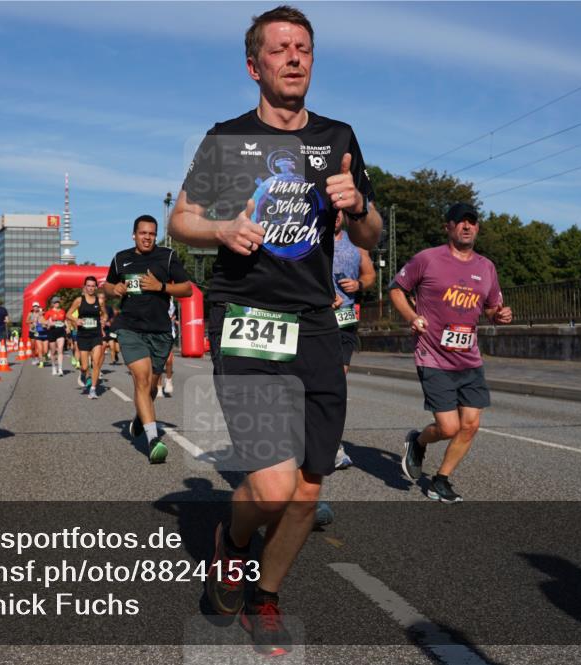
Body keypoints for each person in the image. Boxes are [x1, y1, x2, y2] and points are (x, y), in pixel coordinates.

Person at [167, 6, 381, 655]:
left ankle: (265, 595)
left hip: (315, 321)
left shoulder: (338, 136)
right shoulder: (227, 139)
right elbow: (181, 219)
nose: (295, 57)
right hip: (249, 316)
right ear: (253, 64)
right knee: (271, 484)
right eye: (281, 48)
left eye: (305, 48)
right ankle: (231, 544)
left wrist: (361, 205)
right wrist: (220, 229)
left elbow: (371, 234)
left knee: (309, 487)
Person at [391, 202, 512, 503]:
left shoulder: (486, 267)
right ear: (448, 227)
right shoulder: (427, 259)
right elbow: (396, 288)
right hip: (433, 356)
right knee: (448, 427)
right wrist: (412, 317)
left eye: (472, 222)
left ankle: (440, 480)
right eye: (460, 222)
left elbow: (492, 307)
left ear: (477, 228)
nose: (467, 226)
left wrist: (500, 315)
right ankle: (418, 442)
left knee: (470, 425)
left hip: (469, 358)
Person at [104, 215, 193, 464]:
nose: (147, 237)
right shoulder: (121, 258)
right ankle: (154, 440)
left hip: (160, 331)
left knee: (152, 386)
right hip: (130, 328)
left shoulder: (166, 257)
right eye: (143, 233)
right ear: (134, 234)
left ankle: (140, 418)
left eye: (152, 234)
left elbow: (187, 289)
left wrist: (161, 287)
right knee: (141, 379)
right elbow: (108, 286)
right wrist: (116, 289)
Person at [331, 211, 376, 469]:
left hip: (344, 319)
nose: (335, 216)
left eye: (340, 212)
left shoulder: (355, 244)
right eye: (331, 211)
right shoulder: (310, 239)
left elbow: (369, 275)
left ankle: (334, 445)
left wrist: (358, 285)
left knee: (336, 383)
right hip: (314, 318)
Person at [68, 276, 109, 399]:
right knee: (85, 366)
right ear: (84, 287)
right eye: (88, 286)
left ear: (96, 287)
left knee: (96, 363)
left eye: (93, 286)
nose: (91, 288)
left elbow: (105, 313)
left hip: (96, 335)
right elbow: (68, 314)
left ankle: (93, 389)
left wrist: (104, 319)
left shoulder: (99, 301)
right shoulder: (79, 300)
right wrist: (76, 320)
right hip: (83, 336)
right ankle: (83, 374)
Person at [158, 301, 178, 398]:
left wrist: (173, 318)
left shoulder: (170, 302)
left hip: (169, 332)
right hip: (155, 332)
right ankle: (158, 386)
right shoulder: (153, 299)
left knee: (169, 360)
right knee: (158, 362)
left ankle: (168, 380)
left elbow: (174, 314)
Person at [44, 297, 67, 375]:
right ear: (53, 304)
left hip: (61, 332)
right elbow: (43, 322)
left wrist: (67, 327)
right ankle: (54, 367)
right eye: (55, 302)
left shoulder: (62, 311)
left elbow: (65, 320)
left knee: (60, 350)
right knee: (53, 352)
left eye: (58, 302)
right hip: (52, 332)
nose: (57, 303)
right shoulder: (49, 312)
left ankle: (60, 369)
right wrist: (48, 324)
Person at [26, 301, 48, 368]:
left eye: (37, 306)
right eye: (34, 306)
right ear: (33, 307)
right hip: (33, 331)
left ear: (38, 307)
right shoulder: (30, 313)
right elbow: (26, 321)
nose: (36, 307)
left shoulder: (41, 313)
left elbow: (46, 319)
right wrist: (32, 322)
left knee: (43, 349)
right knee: (33, 346)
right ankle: (34, 358)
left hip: (41, 331)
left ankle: (42, 358)